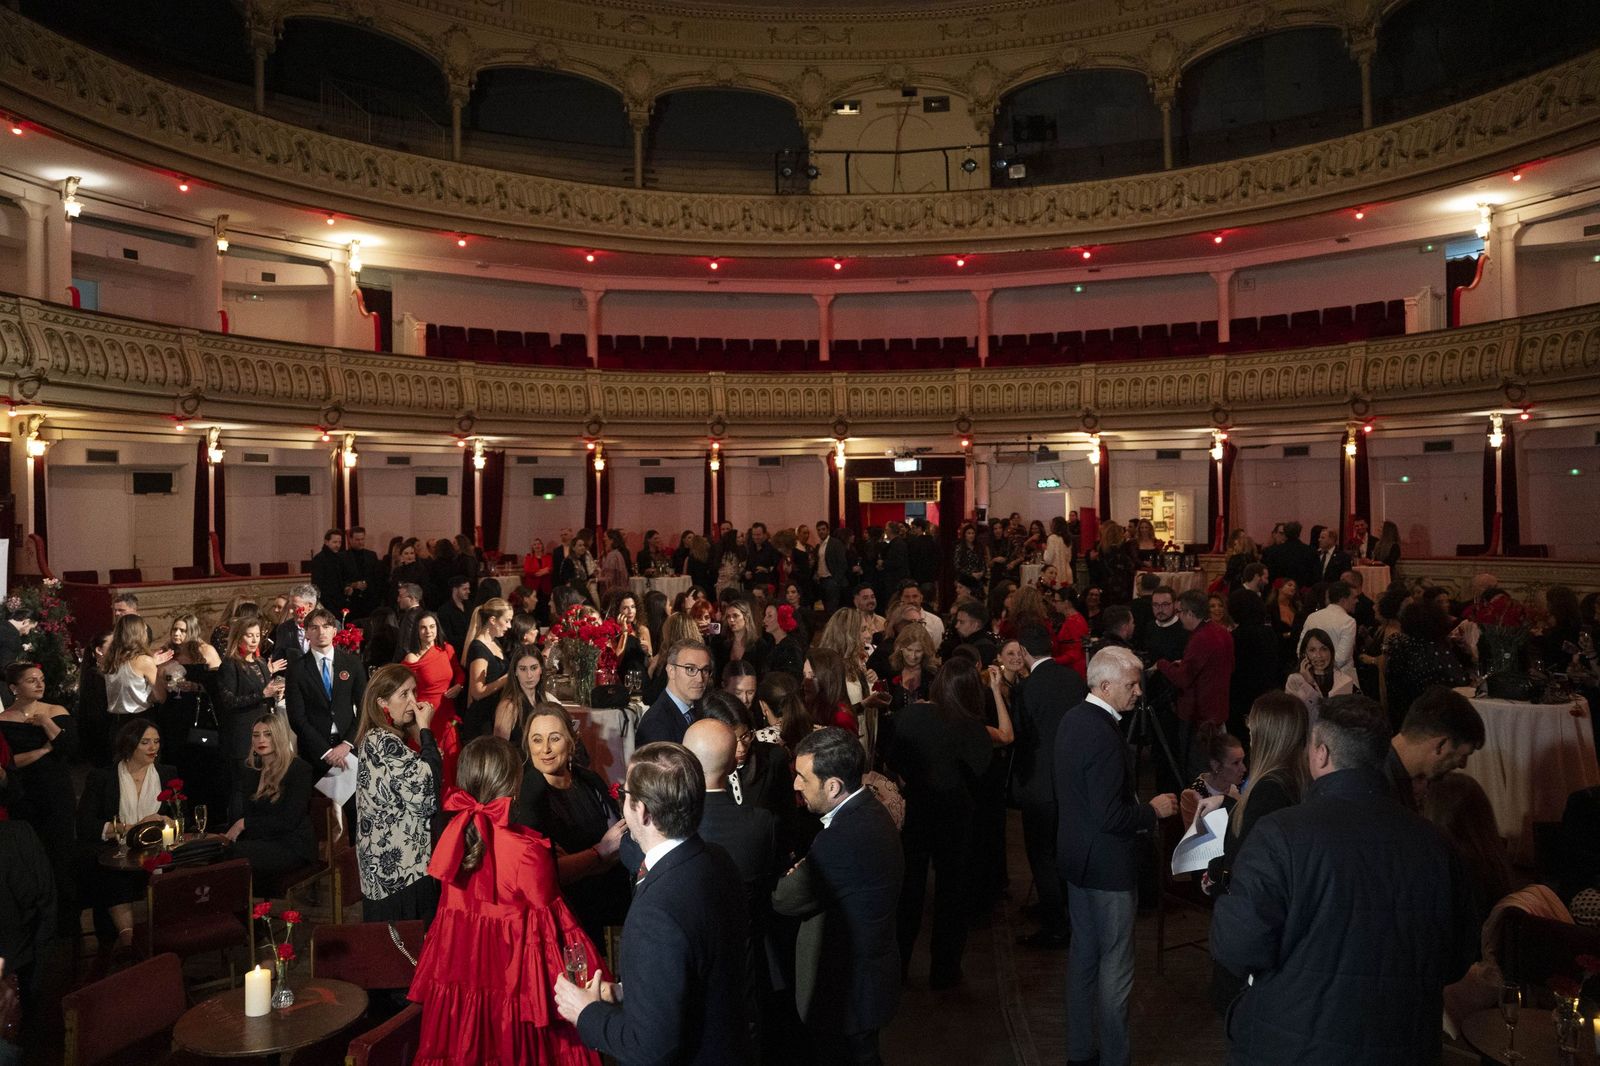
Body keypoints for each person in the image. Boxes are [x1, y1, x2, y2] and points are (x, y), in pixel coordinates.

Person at [1210, 694, 1478, 1065]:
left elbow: (1237, 948)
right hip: (1402, 1042)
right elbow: (1456, 958)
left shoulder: (1281, 835)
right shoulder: (1437, 845)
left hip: (1291, 1043)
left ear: (1319, 753)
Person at [410, 736, 604, 1066]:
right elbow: (554, 933)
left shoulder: (452, 840)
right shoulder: (529, 851)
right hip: (514, 995)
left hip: (463, 982)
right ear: (513, 786)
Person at [555, 742, 751, 1064]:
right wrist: (625, 992)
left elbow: (650, 1047)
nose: (622, 801)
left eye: (625, 794)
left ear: (643, 811)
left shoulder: (655, 914)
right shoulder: (717, 860)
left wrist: (586, 1012)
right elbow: (693, 972)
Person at [1056, 646, 1178, 1066]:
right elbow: (1110, 814)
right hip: (1108, 868)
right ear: (1104, 685)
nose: (1139, 692)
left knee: (1084, 960)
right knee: (1116, 969)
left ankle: (1078, 1052)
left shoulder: (1073, 719)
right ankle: (1114, 1057)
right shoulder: (1105, 735)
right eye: (1131, 685)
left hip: (1076, 860)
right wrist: (1153, 810)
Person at [773, 727, 904, 1064]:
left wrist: (799, 869)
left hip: (848, 994)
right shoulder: (869, 811)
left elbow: (784, 898)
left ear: (832, 786)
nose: (796, 785)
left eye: (803, 777)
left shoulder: (842, 838)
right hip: (868, 982)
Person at [887, 656, 994, 989]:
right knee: (952, 893)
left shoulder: (908, 717)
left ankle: (899, 965)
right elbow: (981, 772)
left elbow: (893, 761)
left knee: (909, 891)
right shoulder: (970, 726)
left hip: (916, 810)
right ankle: (945, 970)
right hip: (955, 816)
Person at [1205, 691, 1309, 1012]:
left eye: (1252, 729)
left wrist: (1220, 873)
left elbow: (1253, 866)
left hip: (1253, 933)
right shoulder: (1295, 782)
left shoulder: (1268, 790)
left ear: (1264, 735)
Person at [510, 704, 629, 946]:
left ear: (571, 741)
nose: (545, 749)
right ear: (527, 745)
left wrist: (583, 861)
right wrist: (600, 851)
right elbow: (550, 873)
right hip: (567, 921)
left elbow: (622, 842)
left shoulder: (589, 779)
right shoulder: (529, 793)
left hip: (609, 907)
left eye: (554, 738)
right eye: (537, 740)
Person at [1009, 623, 1087, 948]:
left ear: (1024, 652)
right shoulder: (1072, 679)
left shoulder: (1027, 687)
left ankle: (1055, 925)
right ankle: (1061, 908)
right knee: (1062, 848)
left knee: (1041, 854)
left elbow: (1018, 734)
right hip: (1071, 779)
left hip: (1039, 784)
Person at [355, 664, 443, 923]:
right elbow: (427, 788)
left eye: (414, 692)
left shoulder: (380, 738)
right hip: (400, 874)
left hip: (396, 869)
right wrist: (425, 730)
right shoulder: (382, 741)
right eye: (404, 694)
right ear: (382, 701)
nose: (414, 702)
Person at [75, 719, 170, 948]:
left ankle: (167, 936)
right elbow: (86, 825)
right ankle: (129, 941)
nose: (153, 748)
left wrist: (166, 821)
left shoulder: (167, 774)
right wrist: (128, 828)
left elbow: (178, 819)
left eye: (156, 742)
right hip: (115, 848)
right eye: (145, 742)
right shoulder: (103, 777)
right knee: (113, 873)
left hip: (155, 848)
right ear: (129, 744)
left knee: (178, 867)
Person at [0, 662, 77, 933]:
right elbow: (9, 764)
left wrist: (45, 722)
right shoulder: (4, 721)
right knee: (31, 859)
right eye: (32, 680)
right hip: (24, 796)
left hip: (56, 794)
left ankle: (66, 923)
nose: (39, 684)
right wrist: (44, 752)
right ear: (14, 688)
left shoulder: (55, 712)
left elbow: (69, 748)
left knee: (61, 855)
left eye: (41, 679)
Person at [223, 713, 317, 876]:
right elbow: (248, 812)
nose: (261, 740)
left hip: (292, 844)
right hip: (261, 841)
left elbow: (289, 821)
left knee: (231, 855)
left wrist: (243, 824)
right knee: (217, 851)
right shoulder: (251, 771)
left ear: (279, 737)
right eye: (256, 735)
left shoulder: (299, 769)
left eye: (268, 734)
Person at [1154, 589, 1236, 777]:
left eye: (1180, 612)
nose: (1179, 616)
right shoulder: (1222, 632)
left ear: (1190, 613)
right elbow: (1227, 666)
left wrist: (1162, 664)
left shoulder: (1200, 638)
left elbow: (1183, 679)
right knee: (1216, 764)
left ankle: (1200, 805)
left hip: (1199, 714)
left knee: (1198, 769)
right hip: (1219, 710)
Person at [285, 607, 368, 783]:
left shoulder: (352, 663)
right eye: (314, 627)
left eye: (326, 626)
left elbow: (364, 708)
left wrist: (347, 744)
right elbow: (296, 717)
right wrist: (326, 751)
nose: (320, 632)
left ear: (334, 630)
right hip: (314, 750)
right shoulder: (297, 669)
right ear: (306, 633)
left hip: (349, 747)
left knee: (354, 807)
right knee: (317, 807)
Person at [1386, 685, 1486, 812]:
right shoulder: (1380, 792)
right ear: (1441, 745)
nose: (1463, 765)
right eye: (1464, 755)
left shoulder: (1379, 773)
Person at [215, 615, 287, 782]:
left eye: (257, 635)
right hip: (241, 735)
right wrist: (262, 694)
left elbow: (265, 692)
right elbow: (229, 701)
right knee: (243, 785)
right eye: (249, 635)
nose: (254, 640)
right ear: (239, 637)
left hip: (264, 733)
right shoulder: (229, 665)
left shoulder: (261, 662)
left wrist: (276, 693)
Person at [400, 610, 466, 791]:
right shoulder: (411, 658)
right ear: (417, 631)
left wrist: (459, 686)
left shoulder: (447, 649)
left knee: (451, 760)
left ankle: (450, 809)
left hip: (447, 715)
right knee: (427, 767)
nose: (428, 631)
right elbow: (402, 689)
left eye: (432, 626)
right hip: (425, 718)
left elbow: (459, 672)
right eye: (423, 628)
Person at [1383, 600, 1473, 731]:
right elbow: (1459, 686)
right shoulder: (1436, 651)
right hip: (1435, 721)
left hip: (1404, 716)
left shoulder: (1400, 645)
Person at [102, 613, 174, 729]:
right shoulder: (144, 661)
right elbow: (161, 697)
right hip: (140, 721)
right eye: (145, 630)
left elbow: (127, 681)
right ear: (138, 634)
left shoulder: (110, 660)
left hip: (116, 723)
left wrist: (151, 662)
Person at [637, 639, 713, 746]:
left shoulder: (700, 710)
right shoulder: (656, 724)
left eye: (705, 670)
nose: (700, 679)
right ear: (671, 671)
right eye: (690, 669)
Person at [463, 597, 513, 742]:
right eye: (507, 620)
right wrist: (506, 679)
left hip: (494, 716)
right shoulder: (479, 648)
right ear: (492, 620)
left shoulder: (495, 642)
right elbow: (477, 692)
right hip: (482, 722)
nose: (509, 626)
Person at [1284, 628, 1355, 719]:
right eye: (1312, 650)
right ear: (1304, 654)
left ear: (1331, 652)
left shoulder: (1344, 680)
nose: (1318, 655)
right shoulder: (1294, 680)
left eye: (1324, 649)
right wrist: (1309, 684)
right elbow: (1291, 716)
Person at [1301, 580, 1359, 682]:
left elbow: (1301, 649)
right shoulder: (1348, 621)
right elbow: (1342, 659)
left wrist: (1315, 669)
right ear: (1343, 600)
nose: (1357, 601)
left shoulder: (1312, 617)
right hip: (1340, 680)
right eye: (1354, 597)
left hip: (1312, 676)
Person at [271, 584, 321, 666]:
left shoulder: (329, 626)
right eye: (290, 607)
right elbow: (279, 660)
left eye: (295, 607)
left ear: (310, 606)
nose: (290, 611)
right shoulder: (284, 629)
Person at [311, 529, 348, 614]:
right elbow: (317, 584)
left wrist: (346, 586)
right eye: (335, 542)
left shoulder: (339, 558)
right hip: (327, 602)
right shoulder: (319, 559)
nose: (338, 545)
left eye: (340, 542)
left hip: (340, 601)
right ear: (326, 542)